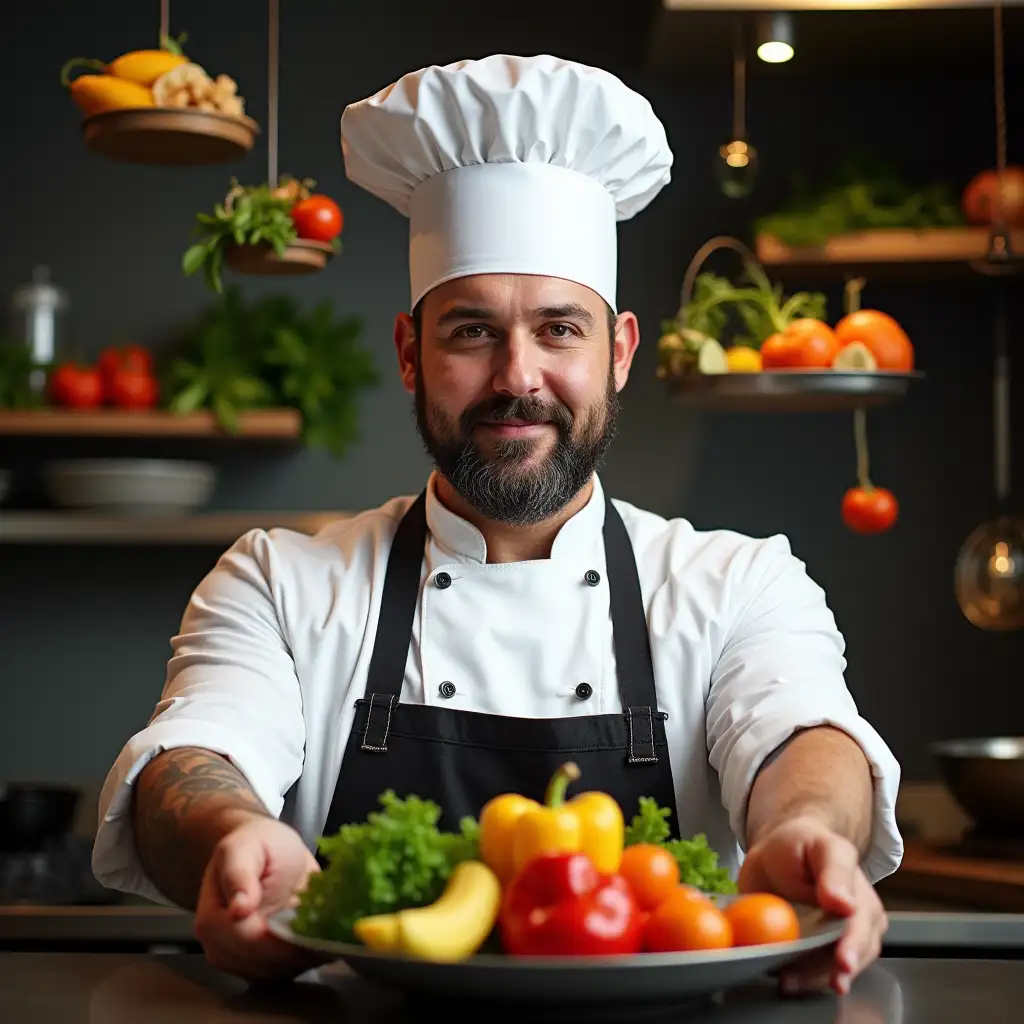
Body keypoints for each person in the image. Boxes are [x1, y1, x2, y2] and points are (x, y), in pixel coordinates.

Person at [93, 54, 902, 994]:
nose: (518, 376)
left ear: (621, 353)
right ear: (409, 352)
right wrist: (229, 836)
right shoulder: (282, 580)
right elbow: (194, 754)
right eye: (472, 330)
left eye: (559, 328)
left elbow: (802, 732)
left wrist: (803, 830)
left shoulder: (737, 582)